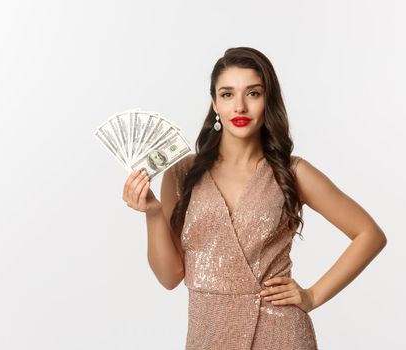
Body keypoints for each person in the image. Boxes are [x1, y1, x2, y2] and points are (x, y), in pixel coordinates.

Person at [122, 47, 387, 350]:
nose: (239, 107)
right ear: (214, 104)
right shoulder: (183, 172)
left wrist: (313, 296)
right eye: (227, 94)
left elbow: (370, 234)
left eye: (253, 94)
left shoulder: (292, 171)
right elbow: (170, 277)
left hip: (279, 332)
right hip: (208, 335)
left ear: (267, 101)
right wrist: (153, 213)